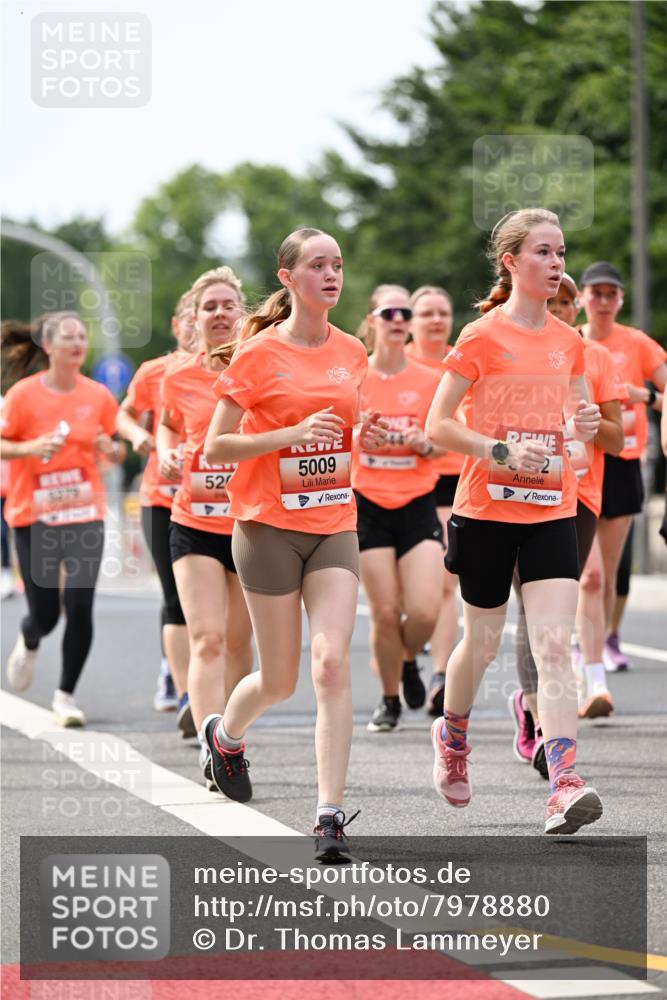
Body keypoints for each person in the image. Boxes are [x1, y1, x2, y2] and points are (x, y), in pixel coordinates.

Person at [203, 228, 385, 860]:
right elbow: (216, 447)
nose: (332, 275)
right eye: (317, 265)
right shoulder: (257, 354)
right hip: (266, 527)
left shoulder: (352, 350)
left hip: (334, 522)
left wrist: (367, 433)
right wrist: (291, 435)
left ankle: (329, 814)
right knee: (279, 680)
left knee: (330, 663)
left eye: (337, 264)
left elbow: (346, 427)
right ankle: (225, 737)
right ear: (288, 278)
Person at [426, 208, 604, 835]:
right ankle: (453, 735)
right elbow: (437, 425)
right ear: (511, 262)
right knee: (482, 643)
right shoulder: (481, 336)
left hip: (552, 506)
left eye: (561, 253)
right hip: (486, 509)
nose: (556, 264)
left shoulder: (568, 341)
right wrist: (499, 450)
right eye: (543, 252)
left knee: (554, 645)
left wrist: (584, 426)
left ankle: (564, 782)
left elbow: (580, 430)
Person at [509, 274, 625, 777]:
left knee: (554, 617)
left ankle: (536, 710)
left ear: (576, 308)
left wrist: (594, 423)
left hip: (579, 498)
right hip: (519, 493)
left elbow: (617, 440)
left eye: (564, 302)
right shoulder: (510, 347)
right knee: (530, 610)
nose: (557, 309)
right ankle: (541, 725)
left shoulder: (594, 358)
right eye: (550, 301)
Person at [1, 312, 125, 725]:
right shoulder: (22, 395)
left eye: (82, 336)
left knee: (80, 603)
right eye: (68, 337)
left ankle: (65, 696)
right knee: (46, 613)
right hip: (33, 515)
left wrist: (112, 449)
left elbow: (117, 447)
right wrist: (32, 447)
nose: (77, 343)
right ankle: (30, 637)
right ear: (49, 345)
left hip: (84, 513)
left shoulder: (98, 396)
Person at [157, 267, 254, 766]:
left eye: (228, 306)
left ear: (243, 314)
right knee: (208, 639)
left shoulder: (262, 367)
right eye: (209, 307)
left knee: (239, 643)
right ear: (194, 318)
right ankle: (209, 747)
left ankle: (231, 734)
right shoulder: (178, 376)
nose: (219, 314)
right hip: (193, 520)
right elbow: (167, 425)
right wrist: (167, 452)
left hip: (250, 524)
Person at [352, 285, 444, 732]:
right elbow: (332, 433)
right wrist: (358, 436)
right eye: (389, 312)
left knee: (425, 611)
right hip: (368, 503)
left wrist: (424, 443)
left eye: (405, 313)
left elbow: (445, 439)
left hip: (417, 502)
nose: (398, 320)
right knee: (385, 612)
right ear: (372, 319)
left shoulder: (428, 380)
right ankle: (389, 700)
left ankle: (407, 658)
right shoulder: (353, 378)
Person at [578, 262, 666, 672]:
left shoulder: (636, 343)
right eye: (595, 293)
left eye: (611, 294)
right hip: (580, 463)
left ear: (621, 299)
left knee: (609, 569)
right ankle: (581, 641)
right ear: (582, 298)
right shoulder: (569, 342)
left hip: (624, 462)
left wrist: (640, 395)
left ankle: (606, 637)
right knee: (586, 572)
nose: (603, 301)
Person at [117, 291, 196, 716]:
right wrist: (137, 436)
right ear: (176, 325)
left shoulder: (233, 368)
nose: (196, 325)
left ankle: (205, 679)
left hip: (218, 503)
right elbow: (123, 413)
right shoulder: (154, 372)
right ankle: (178, 680)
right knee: (175, 594)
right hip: (162, 498)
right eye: (189, 317)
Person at [405, 286, 463, 716]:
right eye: (426, 313)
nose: (436, 320)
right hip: (400, 483)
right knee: (405, 597)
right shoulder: (395, 360)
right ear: (410, 320)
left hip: (452, 476)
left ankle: (441, 676)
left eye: (443, 312)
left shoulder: (461, 360)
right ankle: (404, 658)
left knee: (446, 581)